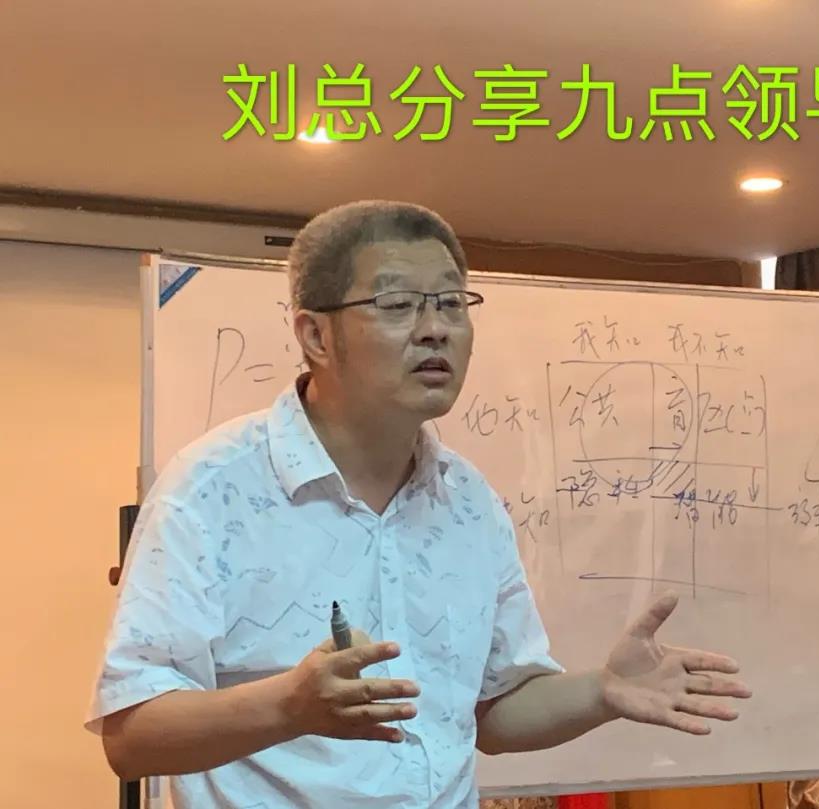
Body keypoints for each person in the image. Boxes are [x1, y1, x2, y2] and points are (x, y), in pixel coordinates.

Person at [87, 200, 752, 808]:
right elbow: (132, 734)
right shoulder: (211, 487)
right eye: (398, 304)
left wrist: (602, 690)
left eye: (453, 304)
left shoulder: (468, 501)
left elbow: (494, 710)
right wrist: (289, 705)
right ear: (316, 336)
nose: (435, 330)